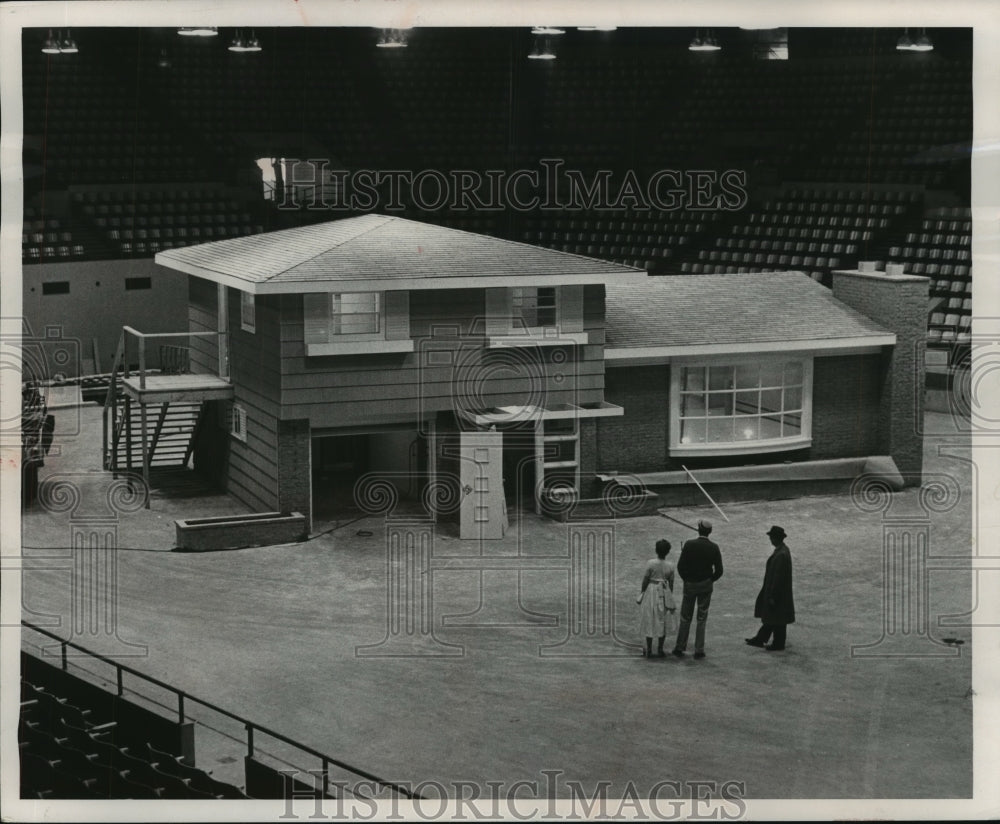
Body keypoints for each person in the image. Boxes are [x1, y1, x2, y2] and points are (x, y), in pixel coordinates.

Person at [672, 519, 724, 660]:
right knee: (702, 618)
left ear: (698, 529)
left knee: (685, 616)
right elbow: (719, 570)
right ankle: (699, 649)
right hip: (705, 584)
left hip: (690, 584)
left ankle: (679, 647)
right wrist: (710, 580)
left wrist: (686, 579)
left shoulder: (689, 544)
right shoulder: (714, 547)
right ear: (710, 532)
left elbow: (681, 566)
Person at [746, 525, 795, 651]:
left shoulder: (780, 555)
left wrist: (773, 595)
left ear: (775, 538)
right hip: (780, 593)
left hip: (777, 593)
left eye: (771, 537)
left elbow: (778, 578)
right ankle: (761, 639)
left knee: (776, 618)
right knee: (776, 618)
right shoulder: (783, 551)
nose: (770, 539)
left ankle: (777, 643)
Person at [637, 539, 677, 658]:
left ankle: (649, 648)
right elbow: (671, 583)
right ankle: (660, 649)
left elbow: (645, 579)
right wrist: (669, 596)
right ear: (668, 552)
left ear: (656, 550)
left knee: (649, 617)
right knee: (662, 619)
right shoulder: (670, 566)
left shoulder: (651, 563)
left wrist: (642, 591)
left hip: (651, 591)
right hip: (663, 593)